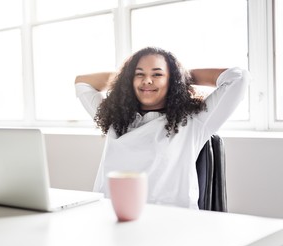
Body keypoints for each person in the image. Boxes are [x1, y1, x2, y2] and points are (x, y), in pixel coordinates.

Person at [75, 47, 250, 209]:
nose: (147, 81)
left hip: (168, 223)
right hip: (109, 217)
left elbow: (238, 78)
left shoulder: (193, 121)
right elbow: (81, 83)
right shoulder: (115, 117)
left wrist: (182, 75)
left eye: (157, 74)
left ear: (172, 80)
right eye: (139, 74)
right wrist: (124, 77)